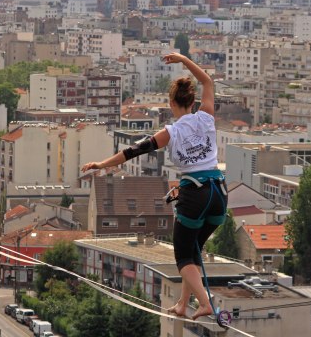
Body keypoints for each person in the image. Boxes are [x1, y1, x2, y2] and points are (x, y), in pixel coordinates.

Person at [81, 52, 227, 320]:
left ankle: (205, 303)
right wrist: (184, 60)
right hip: (219, 193)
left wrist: (101, 164)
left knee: (183, 257)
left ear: (171, 104)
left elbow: (131, 152)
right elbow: (207, 81)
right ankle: (183, 303)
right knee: (193, 251)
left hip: (195, 194)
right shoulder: (206, 117)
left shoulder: (170, 133)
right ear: (193, 101)